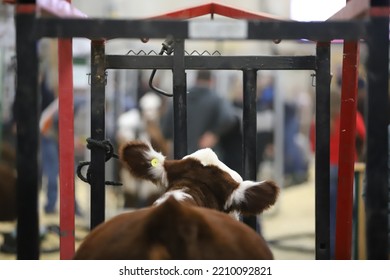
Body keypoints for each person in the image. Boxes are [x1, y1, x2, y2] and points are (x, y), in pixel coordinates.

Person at [310, 89, 366, 259]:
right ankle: (346, 254)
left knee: (328, 216)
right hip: (347, 169)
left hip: (326, 170)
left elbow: (313, 146)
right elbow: (363, 136)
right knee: (349, 215)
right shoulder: (351, 115)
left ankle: (328, 255)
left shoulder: (319, 119)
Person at [161, 70, 237, 159]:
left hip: (179, 154)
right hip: (205, 155)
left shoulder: (180, 97)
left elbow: (166, 130)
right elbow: (229, 118)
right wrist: (213, 133)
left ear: (196, 79)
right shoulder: (216, 99)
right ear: (211, 81)